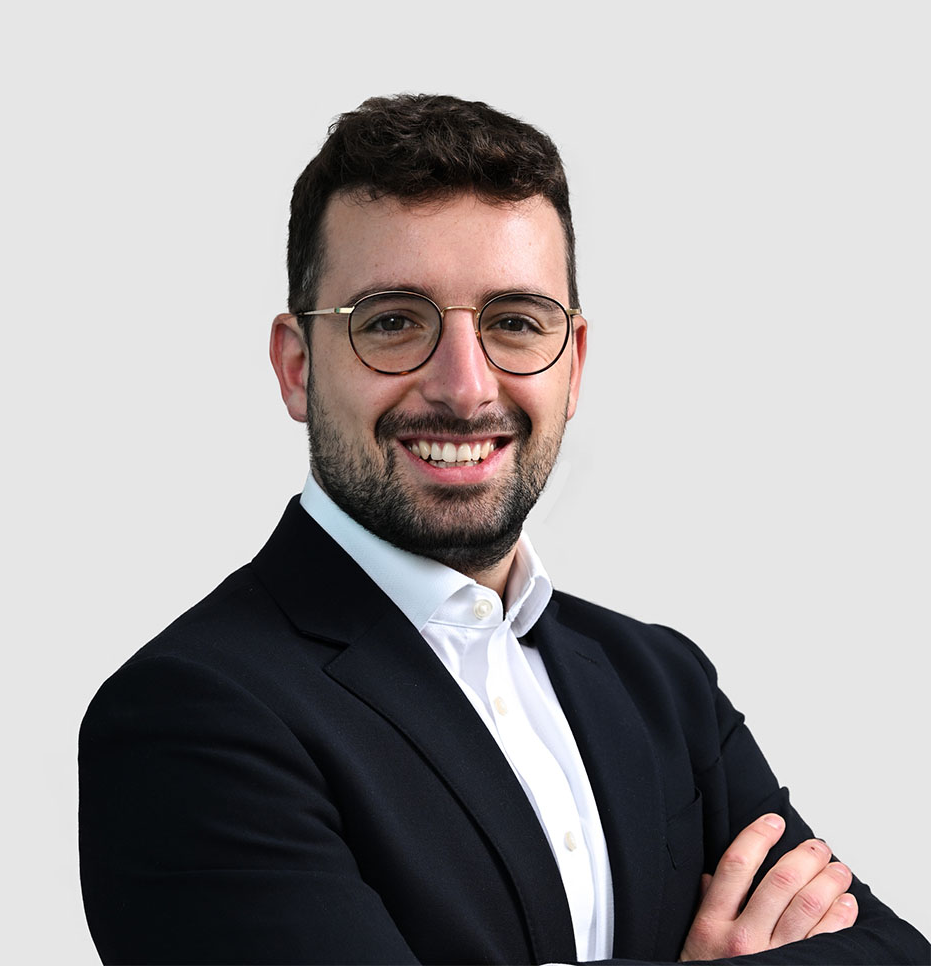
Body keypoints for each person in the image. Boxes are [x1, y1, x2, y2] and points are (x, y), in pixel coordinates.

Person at [78, 94, 929, 965]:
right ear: (297, 368)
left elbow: (894, 953)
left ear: (574, 364)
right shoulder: (188, 716)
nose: (465, 386)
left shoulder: (662, 686)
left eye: (516, 323)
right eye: (393, 322)